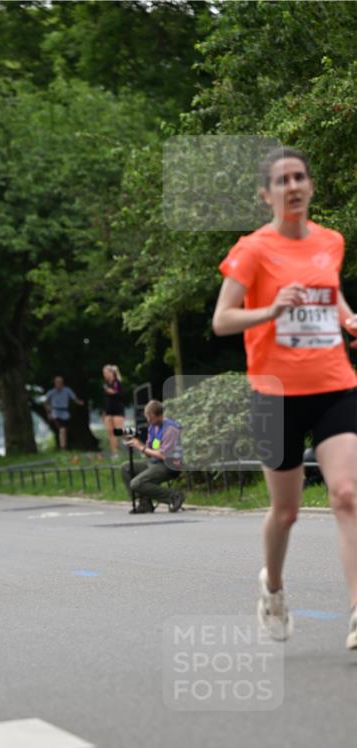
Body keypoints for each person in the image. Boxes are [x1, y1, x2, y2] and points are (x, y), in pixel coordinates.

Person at [212, 146, 357, 650]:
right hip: (274, 395)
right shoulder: (253, 249)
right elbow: (222, 319)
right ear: (266, 193)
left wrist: (348, 318)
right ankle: (272, 587)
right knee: (287, 511)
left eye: (300, 177)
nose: (293, 185)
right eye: (282, 180)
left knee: (347, 495)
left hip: (335, 384)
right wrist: (271, 309)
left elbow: (331, 294)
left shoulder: (331, 242)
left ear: (311, 186)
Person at [120, 400, 185, 513]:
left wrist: (142, 448)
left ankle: (174, 496)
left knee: (136, 483)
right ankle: (144, 503)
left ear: (159, 415)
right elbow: (149, 450)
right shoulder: (152, 427)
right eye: (147, 417)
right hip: (155, 462)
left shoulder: (170, 429)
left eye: (150, 418)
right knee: (125, 467)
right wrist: (136, 443)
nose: (148, 420)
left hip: (169, 465)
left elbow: (163, 455)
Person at [45, 375, 85, 450]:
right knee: (62, 429)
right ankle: (63, 447)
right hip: (56, 413)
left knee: (65, 430)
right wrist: (49, 413)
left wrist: (79, 402)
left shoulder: (67, 390)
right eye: (57, 382)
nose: (58, 383)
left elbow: (74, 398)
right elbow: (45, 402)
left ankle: (66, 445)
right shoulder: (51, 392)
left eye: (60, 382)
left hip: (65, 413)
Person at [102, 364, 126, 458]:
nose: (104, 375)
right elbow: (105, 400)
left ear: (111, 373)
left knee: (119, 431)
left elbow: (122, 395)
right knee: (110, 432)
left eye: (105, 373)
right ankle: (115, 453)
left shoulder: (118, 383)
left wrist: (113, 392)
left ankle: (138, 443)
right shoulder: (106, 385)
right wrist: (104, 412)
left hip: (118, 410)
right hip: (108, 411)